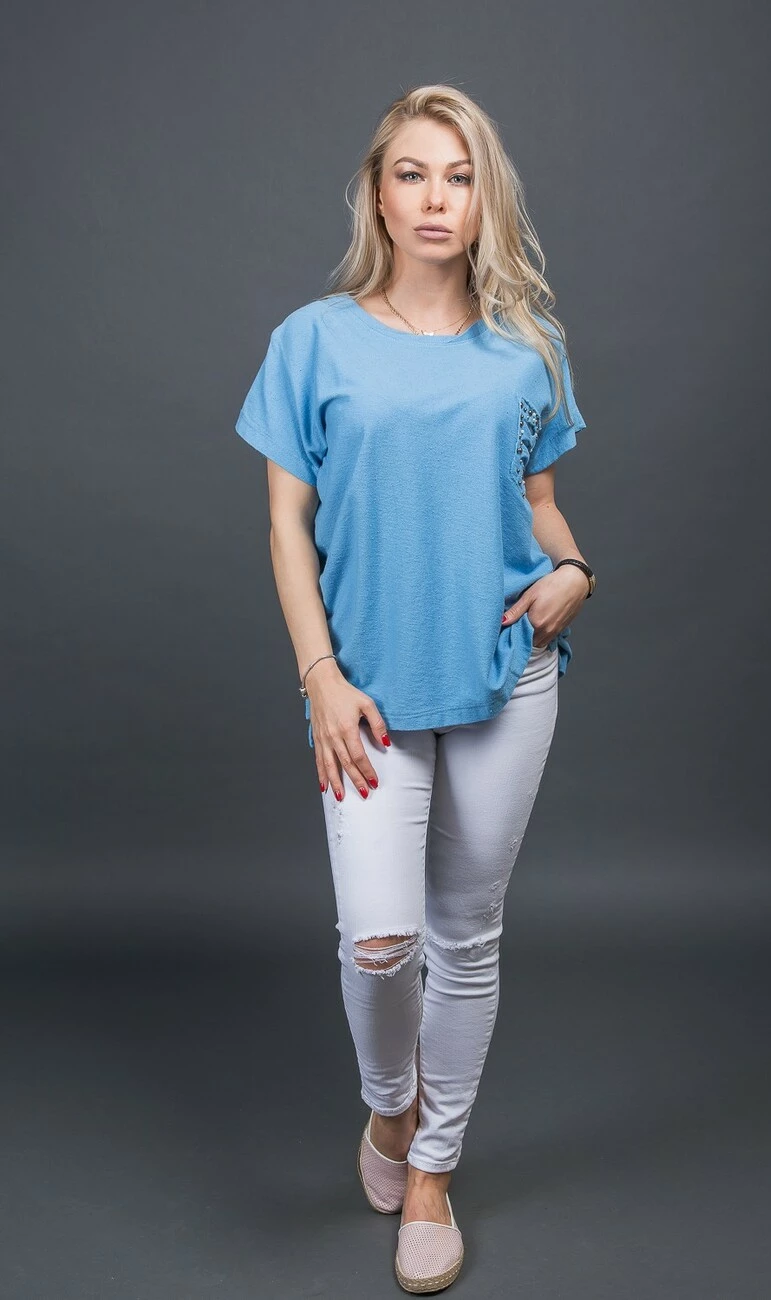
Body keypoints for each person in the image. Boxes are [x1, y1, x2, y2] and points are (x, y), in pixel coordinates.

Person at [235, 83, 595, 1294]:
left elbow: (539, 506)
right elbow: (286, 525)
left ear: (484, 198)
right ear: (377, 196)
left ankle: (433, 1170)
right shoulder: (313, 340)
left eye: (459, 175)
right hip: (368, 693)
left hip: (506, 674)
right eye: (412, 173)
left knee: (466, 937)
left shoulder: (527, 346)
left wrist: (576, 572)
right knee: (380, 944)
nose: (436, 198)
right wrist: (320, 675)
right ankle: (392, 1106)